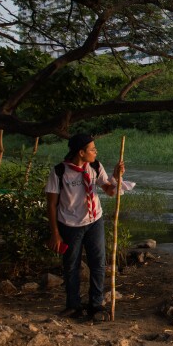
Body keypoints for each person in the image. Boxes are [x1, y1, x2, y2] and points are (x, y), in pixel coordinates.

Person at [45, 133, 125, 321]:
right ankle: (73, 305)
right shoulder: (59, 172)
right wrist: (55, 233)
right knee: (71, 266)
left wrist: (115, 177)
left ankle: (96, 305)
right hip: (70, 225)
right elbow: (51, 205)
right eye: (92, 149)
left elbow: (110, 191)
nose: (95, 152)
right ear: (81, 152)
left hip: (94, 221)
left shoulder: (95, 167)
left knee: (98, 264)